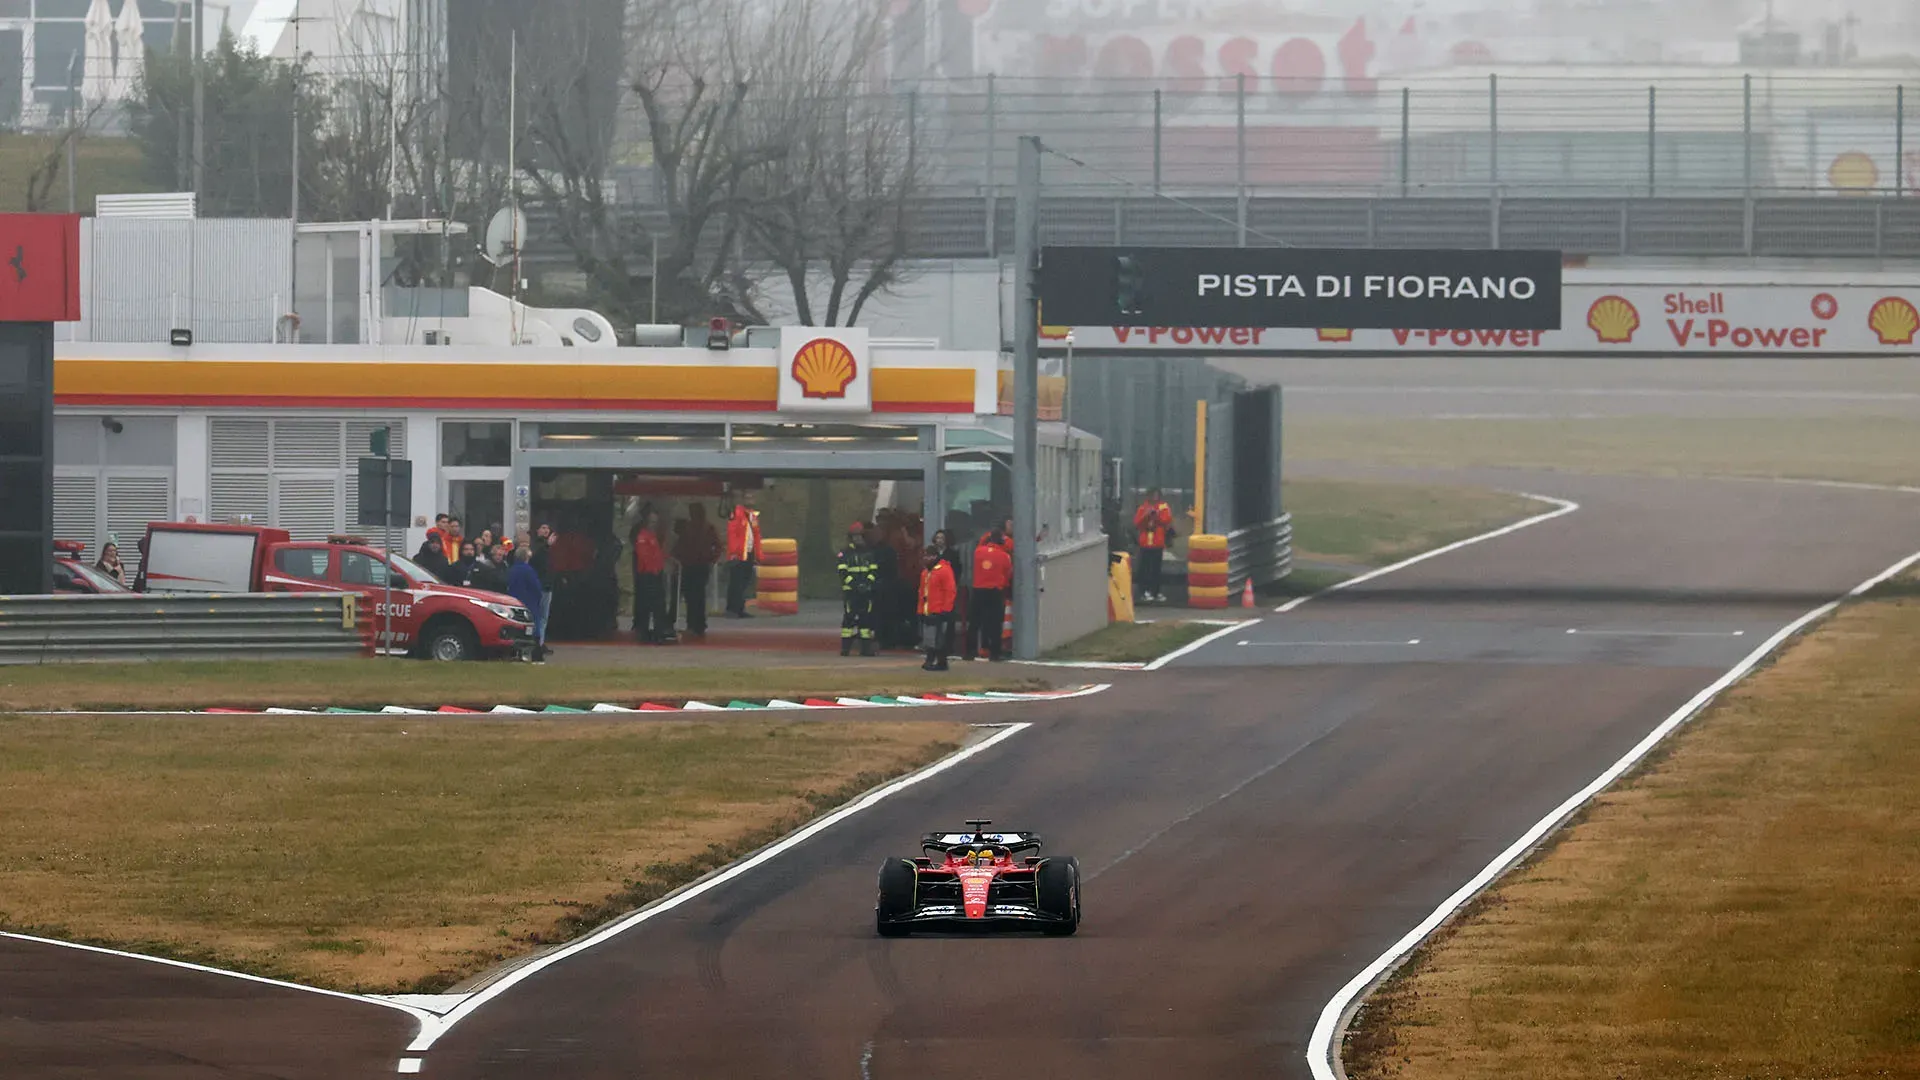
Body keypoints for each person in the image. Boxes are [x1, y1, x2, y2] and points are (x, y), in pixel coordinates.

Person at [673, 503, 721, 639]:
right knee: (696, 596)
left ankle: (695, 625)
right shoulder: (705, 527)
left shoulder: (698, 528)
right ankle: (696, 625)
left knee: (694, 597)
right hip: (695, 565)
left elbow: (681, 545)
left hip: (694, 565)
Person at [967, 527, 1011, 662]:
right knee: (995, 623)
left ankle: (970, 652)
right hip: (995, 591)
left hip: (978, 590)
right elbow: (1008, 574)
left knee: (974, 623)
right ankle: (995, 653)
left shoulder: (978, 552)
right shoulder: (1005, 556)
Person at [836, 522, 879, 657]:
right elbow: (843, 573)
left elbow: (873, 570)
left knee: (865, 619)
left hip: (866, 592)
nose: (858, 539)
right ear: (851, 538)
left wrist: (867, 584)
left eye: (860, 536)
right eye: (855, 537)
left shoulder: (869, 553)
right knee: (849, 619)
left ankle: (866, 648)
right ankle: (845, 648)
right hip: (851, 592)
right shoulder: (844, 554)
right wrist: (855, 585)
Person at [631, 507, 673, 644]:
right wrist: (654, 570)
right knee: (649, 604)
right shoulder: (643, 536)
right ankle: (645, 633)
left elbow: (657, 554)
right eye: (652, 521)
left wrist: (668, 560)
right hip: (648, 576)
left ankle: (658, 632)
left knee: (658, 605)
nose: (654, 524)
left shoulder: (652, 536)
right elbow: (644, 556)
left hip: (655, 574)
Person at [917, 544, 956, 672]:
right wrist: (920, 610)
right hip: (929, 609)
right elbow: (922, 593)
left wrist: (946, 609)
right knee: (931, 638)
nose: (925, 559)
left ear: (934, 556)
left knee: (938, 639)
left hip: (939, 610)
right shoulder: (925, 573)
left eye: (928, 556)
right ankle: (936, 661)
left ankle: (938, 662)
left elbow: (950, 591)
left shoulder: (944, 570)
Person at [1134, 488, 1175, 603]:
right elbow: (1137, 523)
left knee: (1156, 569)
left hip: (1158, 542)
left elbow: (1167, 520)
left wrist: (1157, 515)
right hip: (1145, 542)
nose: (1154, 497)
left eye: (1156, 495)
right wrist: (1146, 515)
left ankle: (1156, 591)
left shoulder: (1163, 507)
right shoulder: (1143, 508)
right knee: (1144, 568)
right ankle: (1144, 591)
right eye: (1152, 495)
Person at [506, 547, 547, 662]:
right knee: (534, 629)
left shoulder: (511, 570)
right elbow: (536, 587)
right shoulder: (528, 570)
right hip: (529, 603)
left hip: (514, 603)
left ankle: (516, 654)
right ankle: (536, 655)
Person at [724, 492, 762, 618]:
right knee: (736, 582)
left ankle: (739, 608)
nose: (751, 500)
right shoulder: (737, 514)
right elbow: (732, 533)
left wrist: (759, 555)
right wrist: (734, 552)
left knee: (744, 582)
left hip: (749, 553)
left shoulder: (753, 516)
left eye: (752, 497)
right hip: (738, 554)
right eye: (748, 497)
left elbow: (756, 536)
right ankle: (732, 608)